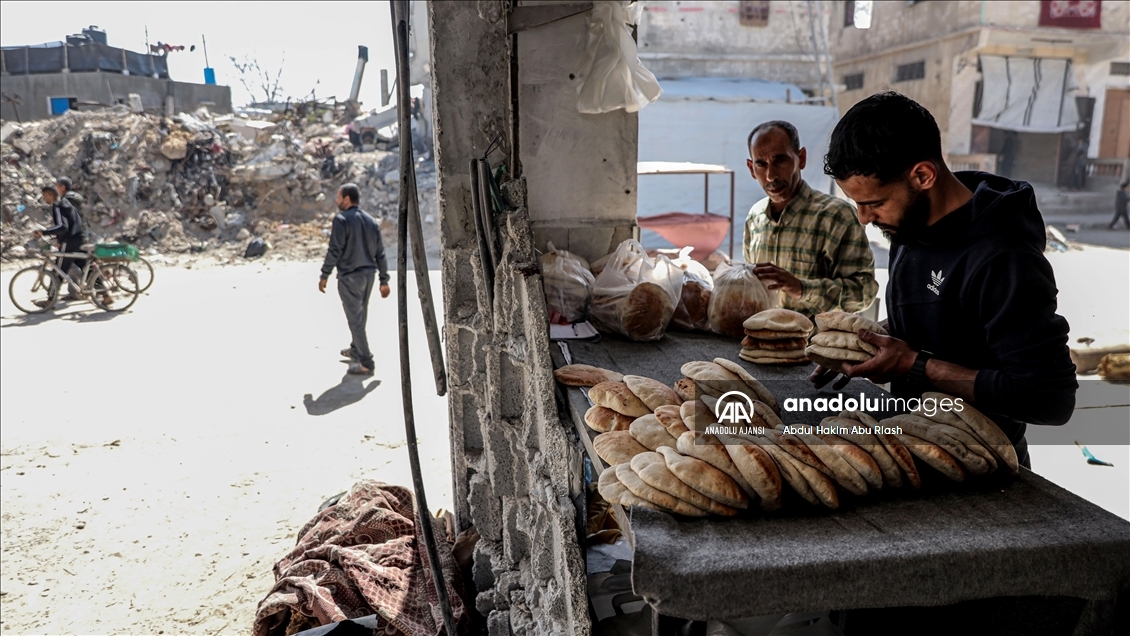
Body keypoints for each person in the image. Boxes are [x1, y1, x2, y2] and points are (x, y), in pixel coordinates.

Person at [815, 91, 1078, 469]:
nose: (864, 218)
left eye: (873, 203)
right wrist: (862, 343)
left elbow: (1049, 398)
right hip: (916, 445)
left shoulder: (1004, 256)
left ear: (923, 175)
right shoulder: (911, 222)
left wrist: (913, 365)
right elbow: (945, 319)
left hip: (988, 466)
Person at [742, 120, 877, 317]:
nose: (771, 176)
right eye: (761, 164)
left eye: (780, 160)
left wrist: (802, 289)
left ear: (801, 158)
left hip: (817, 345)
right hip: (761, 343)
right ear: (751, 169)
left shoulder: (837, 216)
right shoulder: (755, 217)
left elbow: (864, 293)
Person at [319, 183, 390, 376]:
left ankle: (366, 362)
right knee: (360, 316)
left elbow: (335, 250)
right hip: (369, 277)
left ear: (347, 199)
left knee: (355, 320)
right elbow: (380, 253)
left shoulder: (341, 220)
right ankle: (356, 349)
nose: (336, 200)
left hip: (350, 277)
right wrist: (384, 279)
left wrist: (324, 275)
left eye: (339, 197)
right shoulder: (371, 221)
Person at [32, 186, 110, 304]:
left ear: (49, 195)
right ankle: (105, 295)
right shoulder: (67, 203)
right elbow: (72, 225)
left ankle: (49, 301)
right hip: (80, 239)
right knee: (87, 268)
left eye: (44, 196)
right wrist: (57, 237)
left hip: (69, 242)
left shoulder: (58, 206)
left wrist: (44, 232)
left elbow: (63, 227)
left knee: (58, 271)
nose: (43, 198)